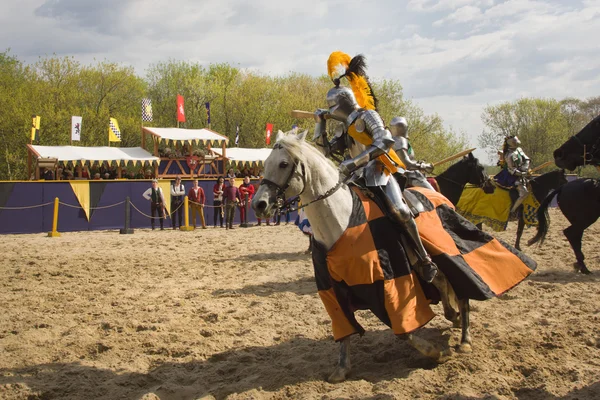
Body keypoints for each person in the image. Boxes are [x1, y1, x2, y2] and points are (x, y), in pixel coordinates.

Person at [313, 51, 438, 283]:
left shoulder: (367, 116)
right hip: (352, 179)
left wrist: (355, 162)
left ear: (343, 103)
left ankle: (424, 258)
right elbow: (325, 152)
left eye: (331, 107)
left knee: (399, 211)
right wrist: (320, 125)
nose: (329, 111)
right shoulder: (342, 128)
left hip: (378, 173)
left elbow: (385, 141)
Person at [389, 117, 436, 191]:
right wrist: (423, 166)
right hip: (404, 175)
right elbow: (407, 164)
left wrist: (418, 162)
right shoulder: (399, 141)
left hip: (400, 173)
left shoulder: (391, 140)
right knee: (433, 193)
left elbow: (409, 159)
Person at [501, 135, 531, 213]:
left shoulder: (519, 150)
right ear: (512, 143)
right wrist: (521, 173)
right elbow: (510, 169)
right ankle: (513, 211)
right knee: (524, 193)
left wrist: (525, 169)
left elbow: (527, 159)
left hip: (523, 174)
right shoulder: (508, 154)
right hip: (513, 177)